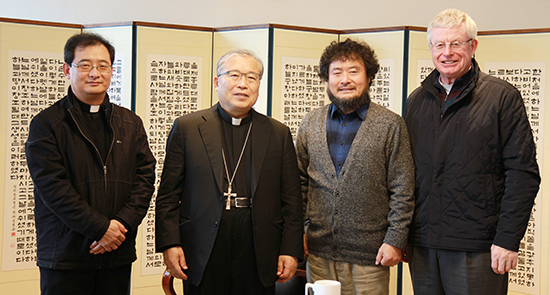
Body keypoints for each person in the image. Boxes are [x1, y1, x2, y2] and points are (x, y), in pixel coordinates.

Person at [404, 8, 541, 294]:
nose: (447, 52)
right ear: (431, 48)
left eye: (456, 43)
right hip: (423, 244)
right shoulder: (417, 100)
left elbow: (523, 175)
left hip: (478, 247)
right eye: (439, 44)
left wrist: (507, 240)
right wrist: (401, 234)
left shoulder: (502, 97)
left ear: (473, 46)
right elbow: (403, 174)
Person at [155, 49, 303, 295]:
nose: (243, 84)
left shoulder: (278, 133)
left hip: (259, 248)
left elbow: (292, 200)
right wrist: (170, 243)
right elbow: (169, 195)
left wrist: (290, 248)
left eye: (252, 77)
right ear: (217, 82)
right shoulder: (188, 128)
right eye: (234, 75)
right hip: (202, 247)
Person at [25, 33, 156, 295]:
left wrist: (120, 226)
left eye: (102, 65)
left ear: (111, 70)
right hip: (66, 254)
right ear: (67, 69)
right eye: (84, 65)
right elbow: (53, 188)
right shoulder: (47, 124)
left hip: (117, 252)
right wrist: (101, 229)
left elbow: (145, 179)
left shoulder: (130, 123)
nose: (94, 73)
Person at [296, 38, 415, 295]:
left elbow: (403, 189)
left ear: (369, 76)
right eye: (336, 72)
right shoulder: (310, 123)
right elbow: (299, 184)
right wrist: (300, 232)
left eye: (353, 71)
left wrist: (395, 240)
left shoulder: (390, 125)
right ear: (326, 79)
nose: (345, 79)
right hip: (318, 254)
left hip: (370, 258)